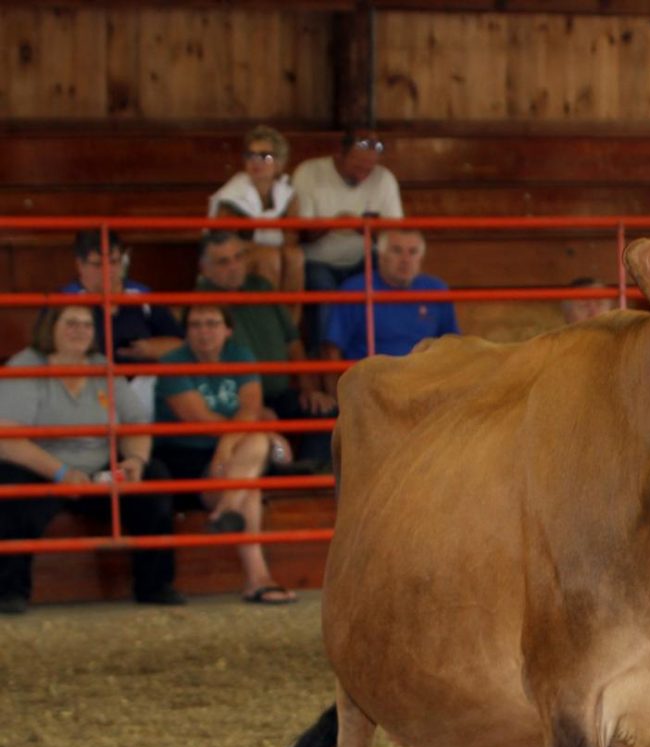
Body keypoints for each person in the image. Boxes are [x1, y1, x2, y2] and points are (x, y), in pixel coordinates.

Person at [0, 305, 182, 613]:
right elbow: (8, 440)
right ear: (50, 328)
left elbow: (135, 422)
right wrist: (60, 472)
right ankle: (9, 591)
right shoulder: (25, 365)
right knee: (10, 490)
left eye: (86, 324)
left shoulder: (102, 366)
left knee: (155, 479)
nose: (80, 330)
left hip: (100, 468)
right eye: (70, 323)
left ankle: (155, 584)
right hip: (42, 466)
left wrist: (135, 460)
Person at [154, 304, 296, 605]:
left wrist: (226, 445)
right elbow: (201, 420)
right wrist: (233, 441)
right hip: (187, 458)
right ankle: (258, 578)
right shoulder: (173, 363)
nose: (204, 331)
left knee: (253, 452)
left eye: (212, 323)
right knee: (253, 471)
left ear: (227, 329)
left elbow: (250, 409)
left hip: (230, 459)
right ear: (186, 331)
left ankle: (227, 512)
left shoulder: (240, 355)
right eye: (195, 325)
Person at [196, 231, 336, 469]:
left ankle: (307, 476)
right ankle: (283, 480)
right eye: (223, 262)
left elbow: (292, 342)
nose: (234, 267)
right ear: (204, 268)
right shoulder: (201, 307)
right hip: (239, 403)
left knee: (327, 412)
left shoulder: (261, 287)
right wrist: (250, 408)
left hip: (280, 392)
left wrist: (309, 389)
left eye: (239, 258)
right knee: (258, 431)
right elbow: (206, 366)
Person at [291, 129, 404, 341]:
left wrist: (361, 226)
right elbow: (301, 233)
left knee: (392, 281)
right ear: (340, 155)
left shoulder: (384, 179)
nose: (363, 174)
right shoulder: (309, 172)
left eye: (369, 168)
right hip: (317, 260)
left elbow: (395, 235)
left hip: (365, 258)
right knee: (325, 295)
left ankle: (381, 351)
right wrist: (335, 223)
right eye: (357, 167)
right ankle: (324, 359)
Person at [321, 229, 459, 376]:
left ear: (421, 257)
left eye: (413, 252)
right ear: (380, 255)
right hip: (371, 383)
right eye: (397, 251)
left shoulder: (436, 289)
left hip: (423, 382)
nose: (405, 259)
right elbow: (331, 349)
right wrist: (338, 397)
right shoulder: (355, 289)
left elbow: (453, 345)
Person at [208, 124, 304, 309]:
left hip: (276, 253)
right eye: (250, 155)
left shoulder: (288, 195)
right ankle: (266, 320)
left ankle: (290, 328)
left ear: (279, 163)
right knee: (269, 257)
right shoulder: (232, 197)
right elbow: (224, 243)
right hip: (233, 258)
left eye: (264, 156)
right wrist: (263, 249)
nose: (256, 162)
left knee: (295, 256)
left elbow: (291, 238)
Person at [60, 230, 183, 364]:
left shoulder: (142, 295)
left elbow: (179, 344)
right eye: (98, 264)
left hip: (143, 379)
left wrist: (150, 349)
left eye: (113, 262)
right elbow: (47, 350)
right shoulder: (65, 300)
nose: (108, 271)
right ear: (80, 265)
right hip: (90, 378)